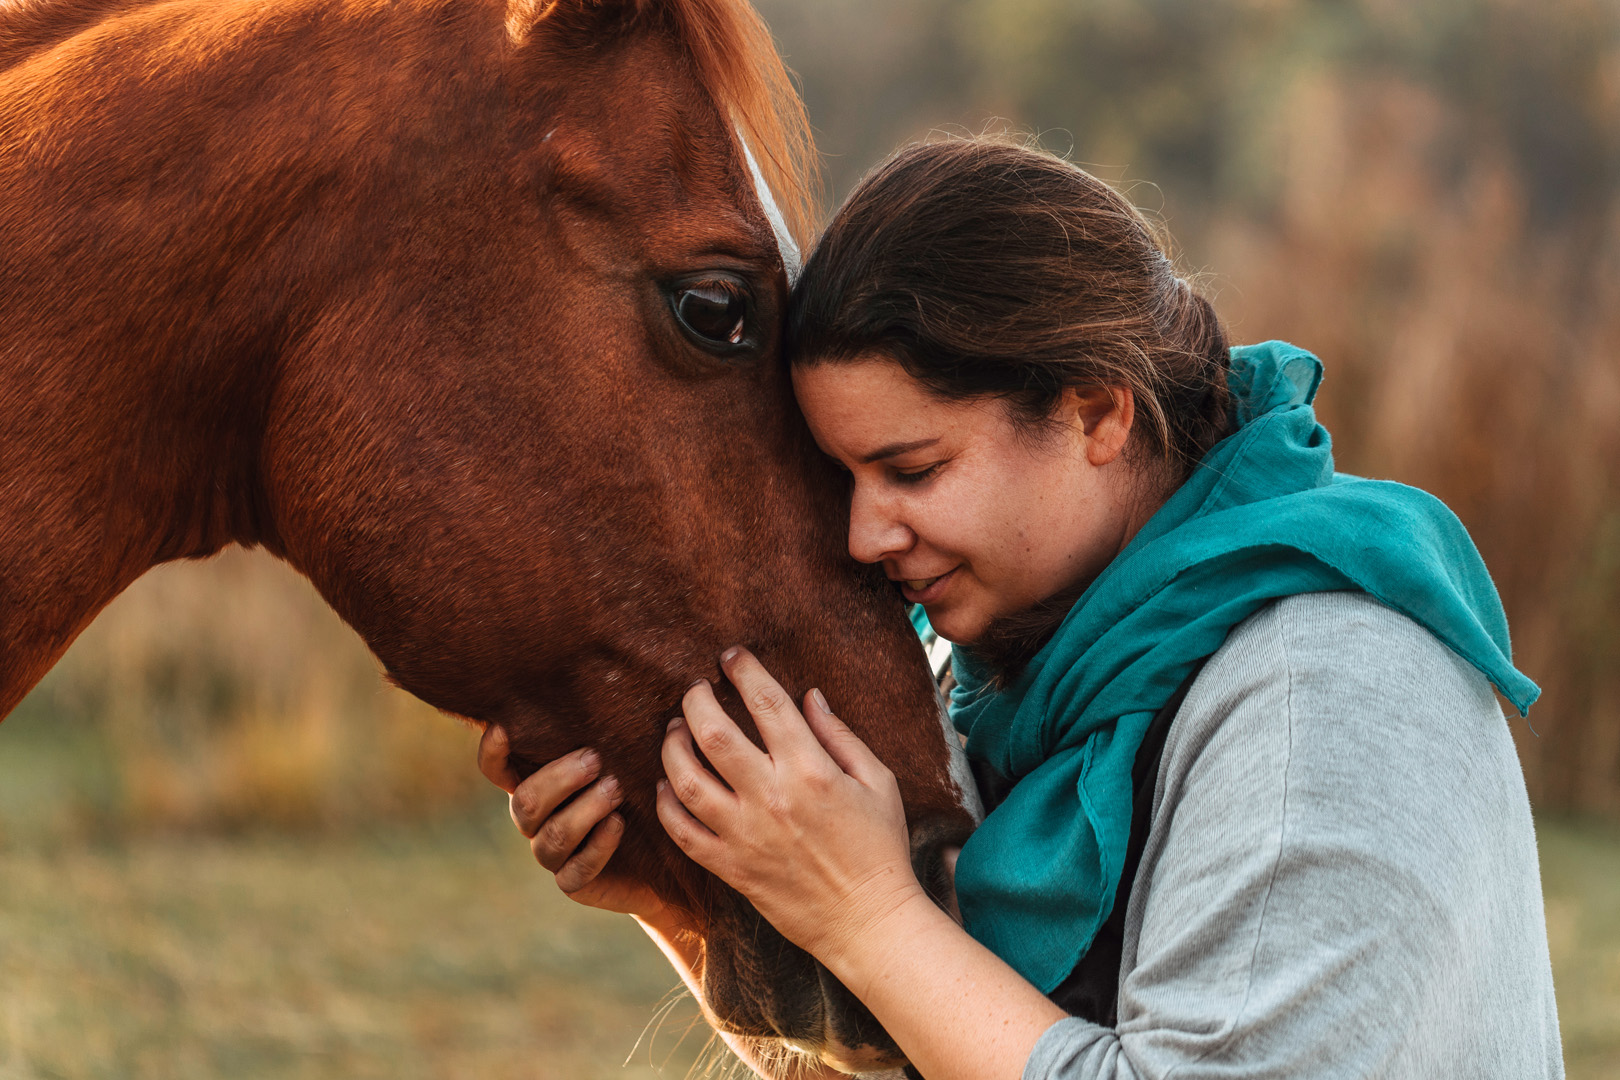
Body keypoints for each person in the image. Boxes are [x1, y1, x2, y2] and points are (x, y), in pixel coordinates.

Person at [488, 138, 1564, 1079]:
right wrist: (690, 893)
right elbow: (941, 1051)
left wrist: (868, 915)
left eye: (912, 469)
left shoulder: (1323, 694)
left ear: (1096, 411)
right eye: (845, 482)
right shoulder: (1006, 679)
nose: (865, 537)